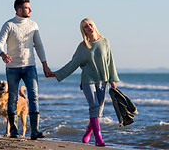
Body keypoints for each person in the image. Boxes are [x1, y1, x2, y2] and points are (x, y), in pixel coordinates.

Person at [49, 18, 119, 147]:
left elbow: (110, 62)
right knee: (94, 107)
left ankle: (87, 132)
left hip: (103, 81)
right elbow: (73, 63)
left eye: (90, 25)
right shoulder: (83, 46)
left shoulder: (104, 42)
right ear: (83, 31)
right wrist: (56, 74)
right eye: (86, 27)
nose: (89, 28)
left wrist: (113, 80)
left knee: (98, 111)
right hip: (88, 81)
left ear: (94, 26)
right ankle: (98, 138)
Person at [0, 0, 53, 140]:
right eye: (28, 8)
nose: (31, 10)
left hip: (30, 67)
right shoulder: (9, 25)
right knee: (13, 98)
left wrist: (45, 65)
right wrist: (2, 54)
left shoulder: (33, 25)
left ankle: (35, 130)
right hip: (12, 68)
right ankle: (14, 131)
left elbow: (39, 46)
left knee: (34, 97)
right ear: (19, 10)